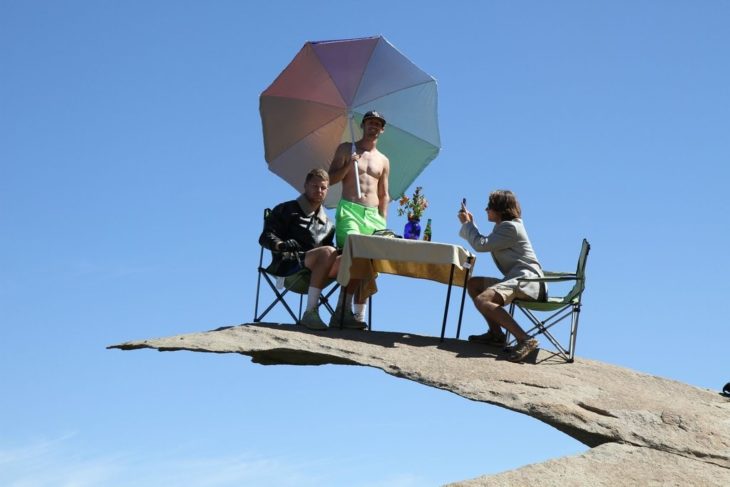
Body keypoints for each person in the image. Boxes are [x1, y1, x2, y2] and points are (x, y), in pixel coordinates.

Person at [457, 190, 545, 362]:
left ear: (500, 209)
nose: (486, 210)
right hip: (517, 279)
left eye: (489, 206)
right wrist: (470, 224)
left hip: (527, 281)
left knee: (483, 300)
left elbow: (481, 245)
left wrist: (467, 224)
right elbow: (483, 242)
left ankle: (525, 339)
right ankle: (496, 335)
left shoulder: (510, 228)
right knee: (474, 284)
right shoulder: (504, 226)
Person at [327, 110, 390, 329]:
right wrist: (348, 164)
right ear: (363, 125)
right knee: (353, 255)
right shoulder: (347, 148)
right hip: (350, 210)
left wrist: (383, 220)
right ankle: (341, 310)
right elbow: (330, 178)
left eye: (378, 124)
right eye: (370, 122)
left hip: (373, 216)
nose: (374, 126)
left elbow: (384, 194)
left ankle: (358, 316)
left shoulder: (383, 160)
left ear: (382, 130)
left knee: (369, 263)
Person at [259, 168, 341, 330]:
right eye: (314, 186)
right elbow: (265, 237)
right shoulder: (286, 209)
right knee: (327, 252)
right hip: (289, 268)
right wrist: (281, 245)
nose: (319, 190)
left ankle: (342, 314)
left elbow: (329, 253)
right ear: (305, 186)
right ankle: (310, 312)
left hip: (316, 273)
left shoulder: (329, 224)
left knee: (351, 258)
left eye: (323, 188)